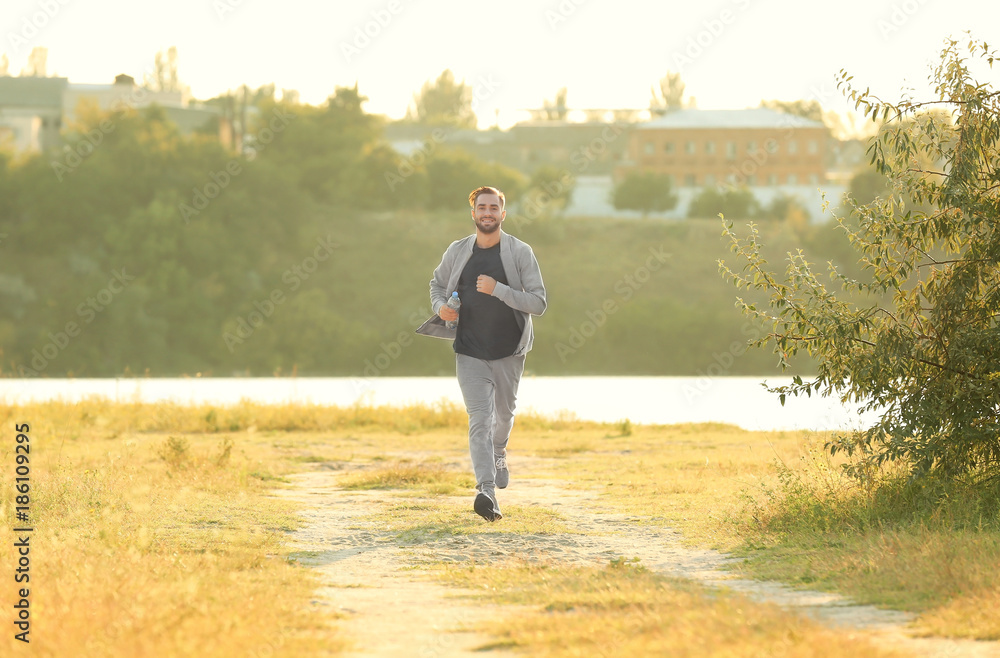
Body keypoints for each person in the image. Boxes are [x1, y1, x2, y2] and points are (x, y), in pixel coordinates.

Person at [415, 186, 547, 522]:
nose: (487, 213)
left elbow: (538, 303)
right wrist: (441, 307)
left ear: (503, 214)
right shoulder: (458, 250)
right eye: (482, 207)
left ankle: (499, 450)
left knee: (504, 416)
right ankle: (486, 492)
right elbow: (436, 285)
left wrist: (498, 290)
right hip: (469, 350)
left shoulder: (520, 252)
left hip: (509, 351)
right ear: (473, 213)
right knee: (479, 420)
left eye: (493, 208)